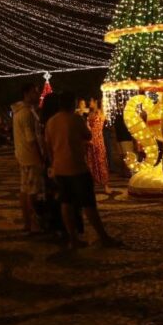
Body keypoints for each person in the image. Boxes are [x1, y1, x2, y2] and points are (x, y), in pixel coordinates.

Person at [44, 91, 119, 249]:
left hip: (59, 168)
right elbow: (87, 136)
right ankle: (103, 236)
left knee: (66, 202)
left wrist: (53, 165)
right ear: (72, 103)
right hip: (77, 167)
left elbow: (48, 147)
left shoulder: (51, 122)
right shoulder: (75, 119)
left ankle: (73, 238)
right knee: (88, 204)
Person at [12, 82, 44, 234]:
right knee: (32, 191)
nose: (37, 95)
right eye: (34, 92)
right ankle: (33, 223)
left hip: (22, 155)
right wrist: (40, 157)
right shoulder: (26, 114)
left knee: (25, 189)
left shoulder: (18, 111)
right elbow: (31, 140)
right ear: (26, 93)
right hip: (31, 157)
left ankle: (27, 222)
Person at [85, 99, 111, 193]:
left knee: (101, 161)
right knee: (91, 162)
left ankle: (105, 185)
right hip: (90, 140)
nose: (89, 103)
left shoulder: (100, 113)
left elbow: (104, 110)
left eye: (91, 101)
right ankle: (93, 183)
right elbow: (87, 127)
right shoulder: (89, 114)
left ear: (96, 102)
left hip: (99, 140)